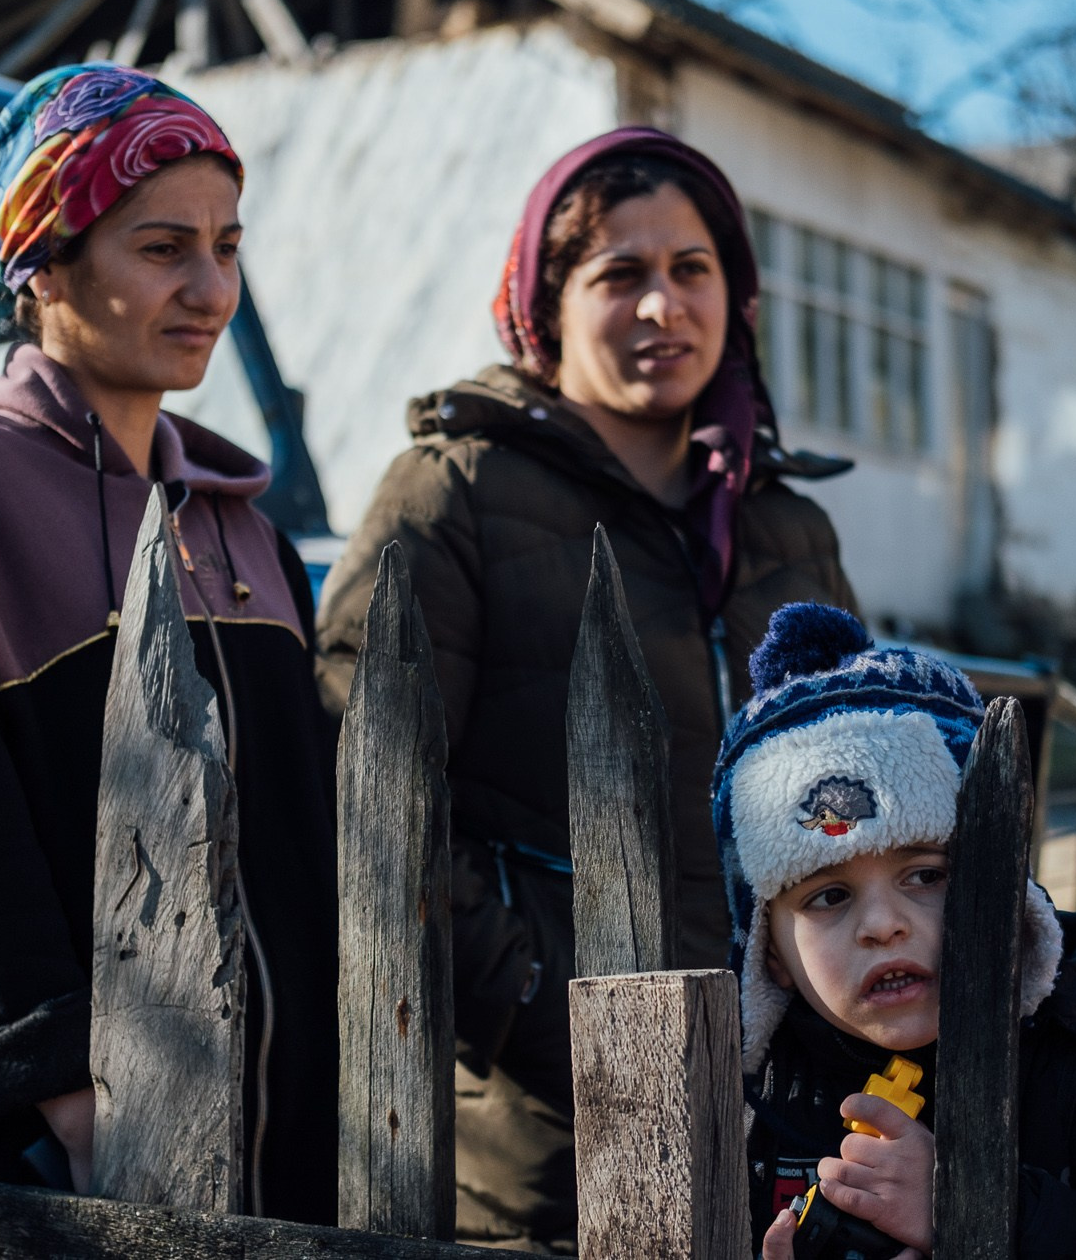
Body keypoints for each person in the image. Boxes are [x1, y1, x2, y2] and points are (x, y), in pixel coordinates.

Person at [314, 127, 858, 1247]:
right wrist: (541, 1009)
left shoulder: (787, 524)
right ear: (545, 307)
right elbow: (362, 797)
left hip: (786, 1112)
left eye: (692, 268)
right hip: (537, 1138)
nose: (663, 305)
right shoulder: (452, 493)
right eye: (619, 274)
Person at [0, 64, 338, 1219]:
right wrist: (61, 1080)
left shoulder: (250, 529)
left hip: (301, 1134)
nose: (210, 289)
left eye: (227, 247)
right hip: (89, 1150)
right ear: (44, 265)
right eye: (163, 249)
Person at [716, 603, 1076, 1259]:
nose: (882, 925)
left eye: (926, 875)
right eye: (829, 896)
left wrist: (986, 1208)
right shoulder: (747, 1100)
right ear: (771, 954)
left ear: (1005, 890)